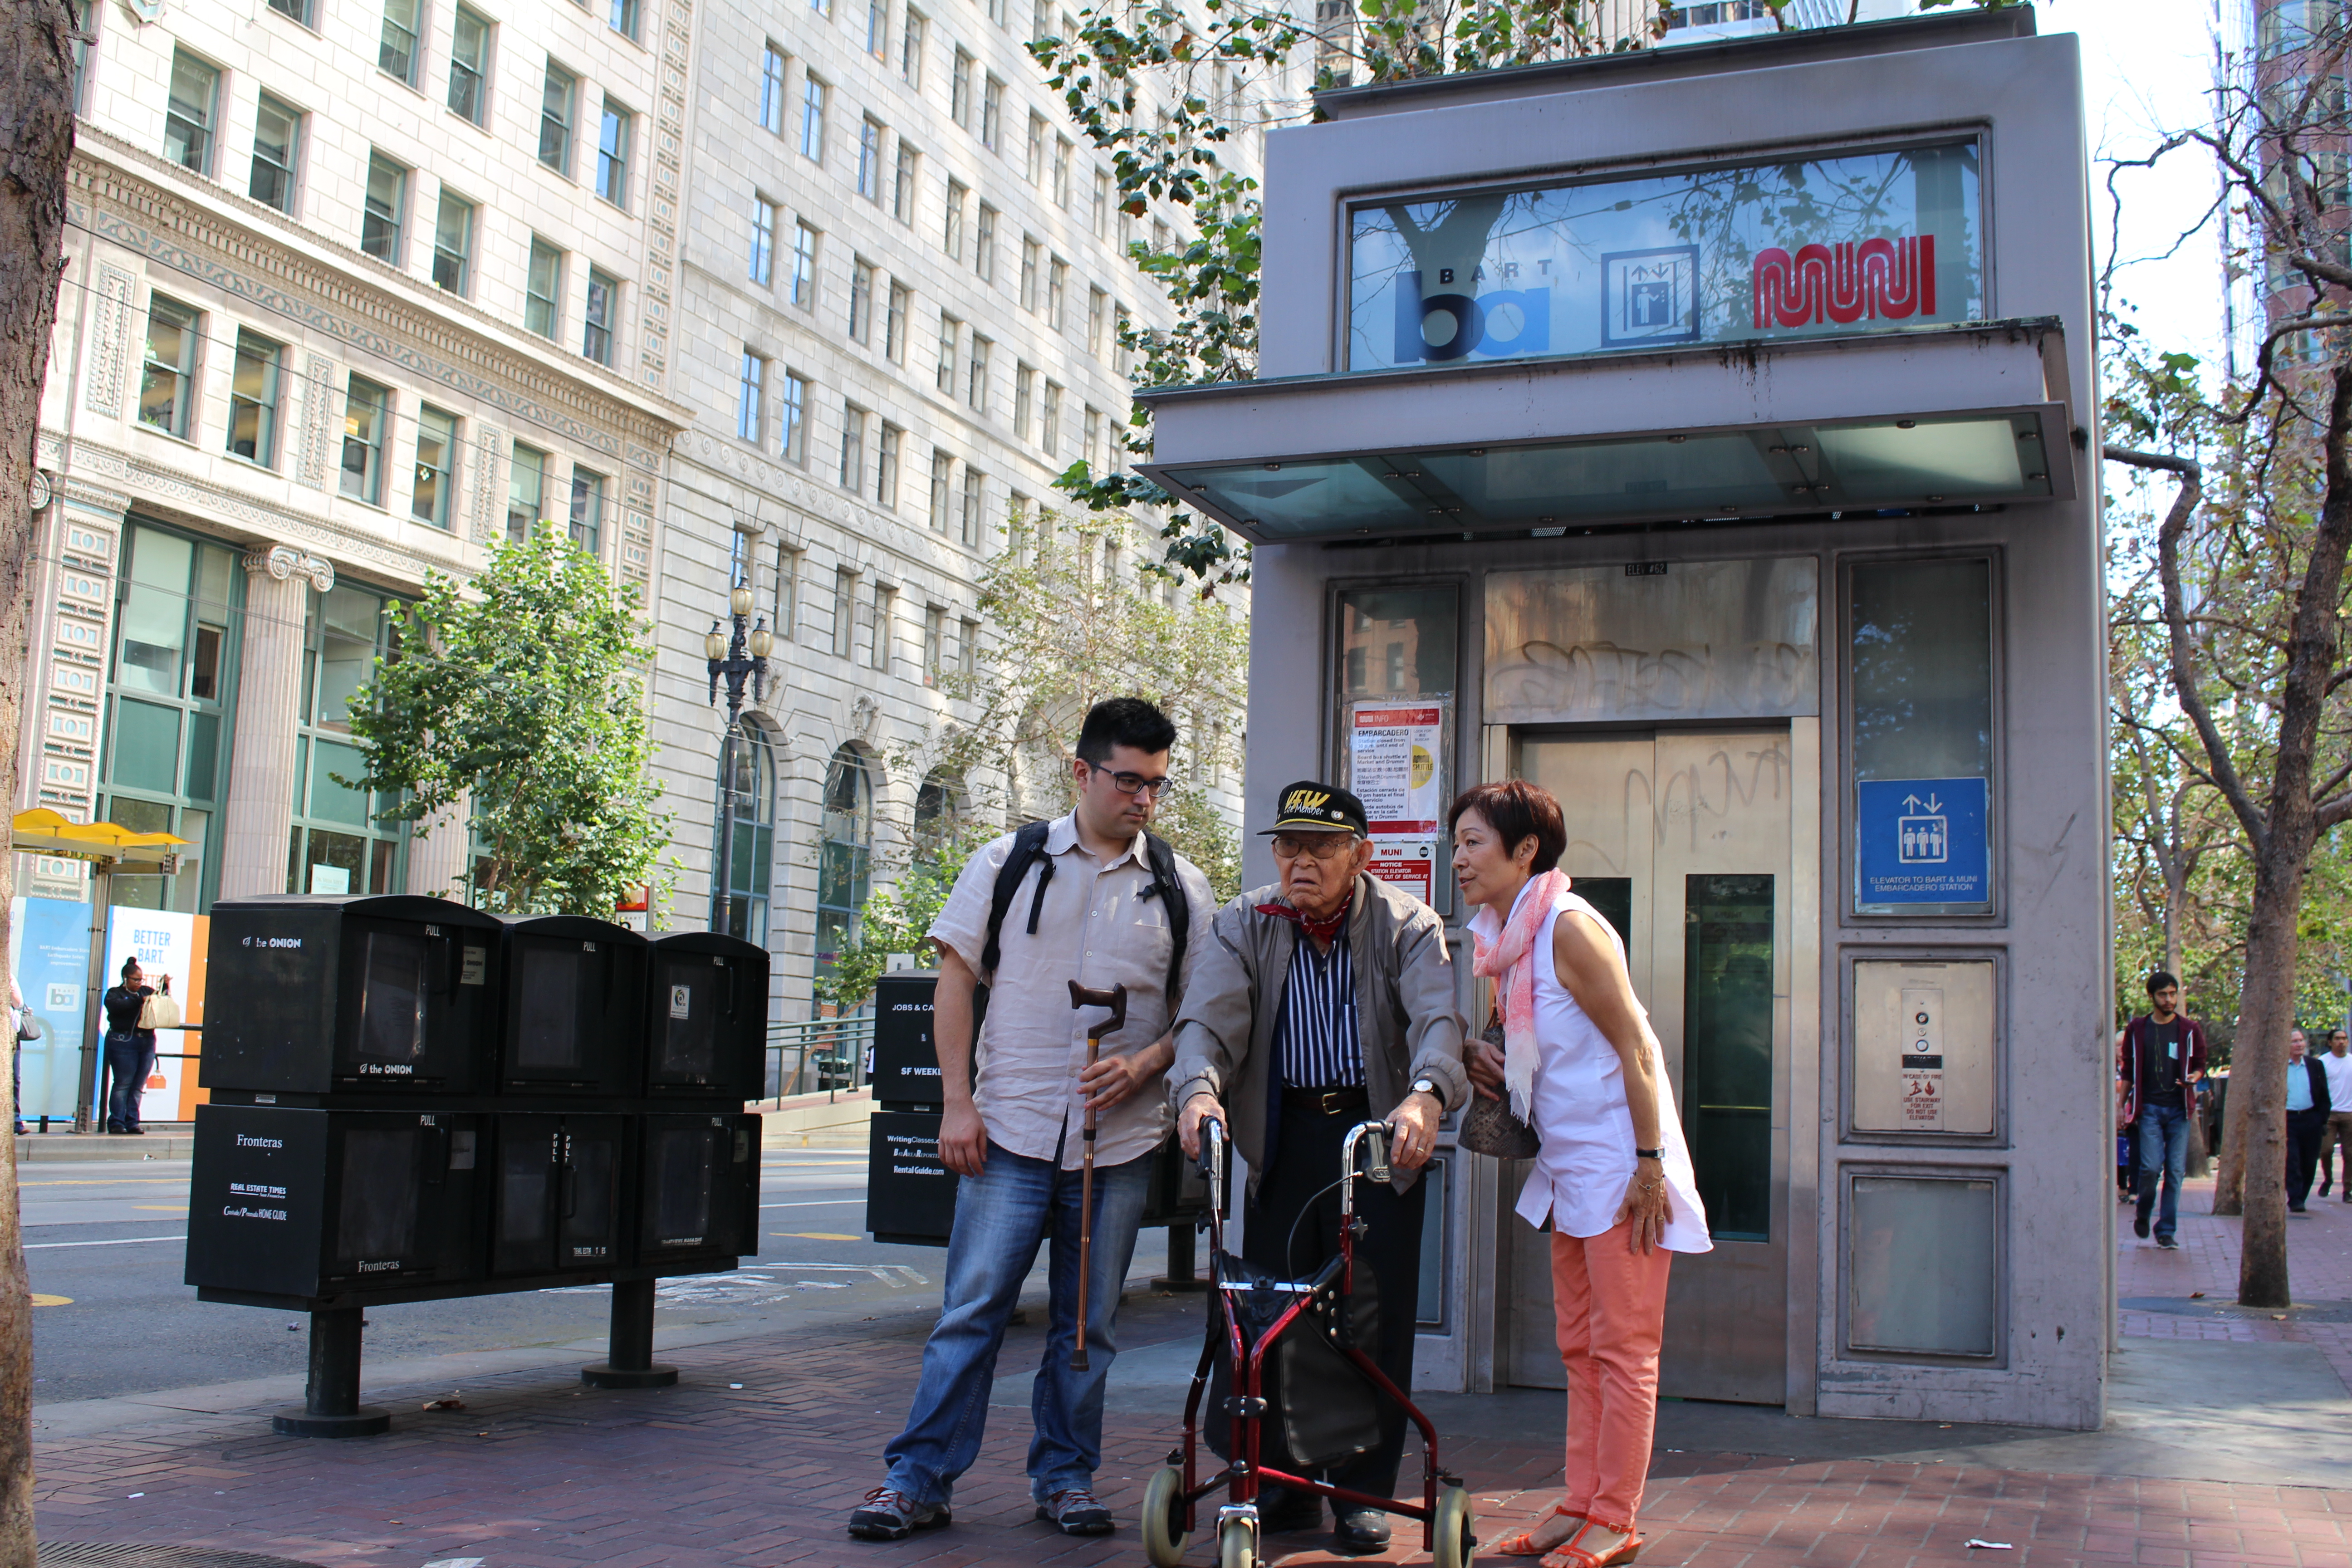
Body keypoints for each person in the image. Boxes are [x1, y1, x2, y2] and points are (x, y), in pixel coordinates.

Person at [848, 697, 1215, 1543]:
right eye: (1128, 780)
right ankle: (916, 1479)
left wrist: (1148, 1063)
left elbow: (1198, 1015)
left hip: (1115, 1146)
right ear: (1081, 772)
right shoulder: (1007, 860)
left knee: (1087, 1325)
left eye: (1156, 784)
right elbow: (953, 983)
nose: (1143, 800)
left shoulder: (1177, 886)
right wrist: (955, 1102)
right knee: (970, 1311)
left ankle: (1064, 1477)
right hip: (1008, 1127)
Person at [1172, 779, 1468, 1556]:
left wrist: (1427, 1097)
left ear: (1359, 856)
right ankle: (1279, 1485)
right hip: (1282, 1141)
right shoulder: (1244, 923)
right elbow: (1207, 1019)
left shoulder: (1407, 924)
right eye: (1288, 846)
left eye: (1320, 847)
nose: (1300, 862)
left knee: (1368, 1319)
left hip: (1374, 1141)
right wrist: (1197, 1094)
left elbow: (1437, 1018)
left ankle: (1363, 1493)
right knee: (1272, 1318)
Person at [1453, 780, 1710, 1568]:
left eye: (1472, 841)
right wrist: (1479, 1054)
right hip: (1569, 1170)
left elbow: (1637, 1047)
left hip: (1622, 1166)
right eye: (1456, 840)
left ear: (1524, 850)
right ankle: (1578, 1500)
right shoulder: (1503, 936)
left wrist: (1648, 1165)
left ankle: (1615, 1517)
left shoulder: (1567, 927)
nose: (1457, 856)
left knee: (1625, 1349)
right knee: (1577, 1346)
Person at [2116, 971, 2208, 1250]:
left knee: (2176, 1171)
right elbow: (2128, 1070)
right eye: (2163, 995)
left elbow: (2201, 1063)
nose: (2169, 1000)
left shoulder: (2190, 1029)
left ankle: (2166, 1229)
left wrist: (2194, 1077)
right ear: (2152, 997)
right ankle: (2143, 1211)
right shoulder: (2138, 1029)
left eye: (2172, 994)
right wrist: (2121, 1106)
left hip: (2179, 1109)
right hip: (2150, 1109)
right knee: (2151, 1167)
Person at [100, 959, 167, 1136]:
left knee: (138, 1085)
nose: (139, 984)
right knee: (123, 1083)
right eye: (136, 980)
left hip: (146, 1041)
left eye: (141, 980)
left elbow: (161, 1002)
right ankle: (116, 1122)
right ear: (126, 979)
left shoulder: (146, 992)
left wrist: (164, 988)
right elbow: (116, 1007)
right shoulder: (115, 994)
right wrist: (139, 1001)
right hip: (124, 1040)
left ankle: (132, 1121)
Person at [2285, 1029, 2331, 1214]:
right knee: (2293, 1160)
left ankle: (2302, 1196)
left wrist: (2321, 1118)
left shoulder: (2315, 1065)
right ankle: (2295, 1199)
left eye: (2301, 1041)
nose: (2299, 1045)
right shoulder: (2280, 1067)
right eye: (2294, 1041)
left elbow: (2324, 1093)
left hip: (2311, 1119)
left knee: (2310, 1162)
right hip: (2289, 1120)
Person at [2314, 1029, 2352, 1200]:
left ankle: (2348, 1189)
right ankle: (2328, 1179)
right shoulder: (2323, 1063)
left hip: (2349, 1113)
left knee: (2350, 1153)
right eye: (2337, 1039)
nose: (2341, 1042)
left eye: (2344, 1039)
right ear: (2330, 1042)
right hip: (2329, 1113)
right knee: (2326, 1150)